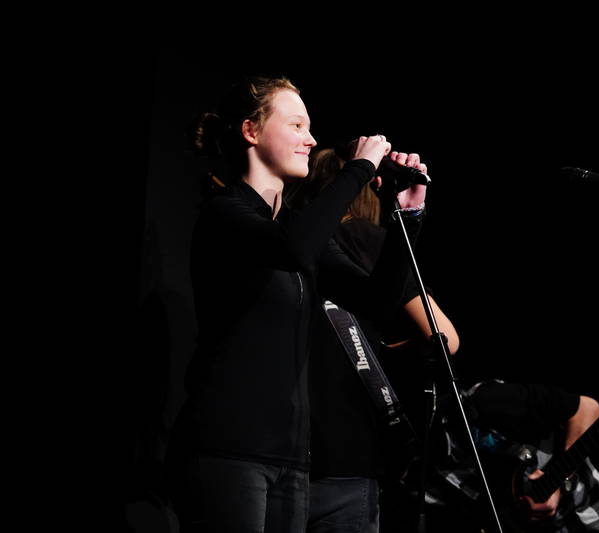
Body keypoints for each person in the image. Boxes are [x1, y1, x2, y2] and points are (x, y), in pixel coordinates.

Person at [166, 76, 428, 533]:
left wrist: (406, 218)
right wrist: (358, 170)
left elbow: (376, 302)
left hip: (290, 460)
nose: (311, 139)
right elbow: (290, 248)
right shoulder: (225, 213)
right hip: (228, 452)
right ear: (251, 131)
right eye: (297, 125)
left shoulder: (296, 229)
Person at [286, 147, 459, 533]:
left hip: (286, 445)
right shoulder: (363, 237)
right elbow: (444, 337)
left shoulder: (295, 239)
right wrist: (383, 350)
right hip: (348, 450)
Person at [425, 379, 599, 532]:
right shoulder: (424, 476)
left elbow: (588, 409)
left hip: (594, 518)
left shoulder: (484, 401)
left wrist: (559, 479)